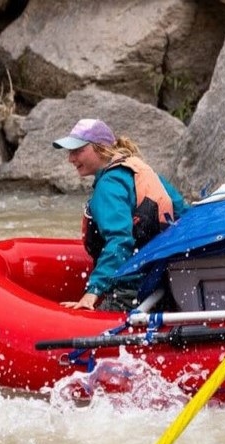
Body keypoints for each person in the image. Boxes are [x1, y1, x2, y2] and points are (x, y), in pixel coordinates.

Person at [52, 119, 187, 311]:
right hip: (160, 285)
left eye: (78, 150)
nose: (71, 159)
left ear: (99, 148)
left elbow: (120, 240)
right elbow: (184, 214)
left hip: (129, 291)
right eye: (70, 152)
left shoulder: (108, 186)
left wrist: (93, 292)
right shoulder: (139, 170)